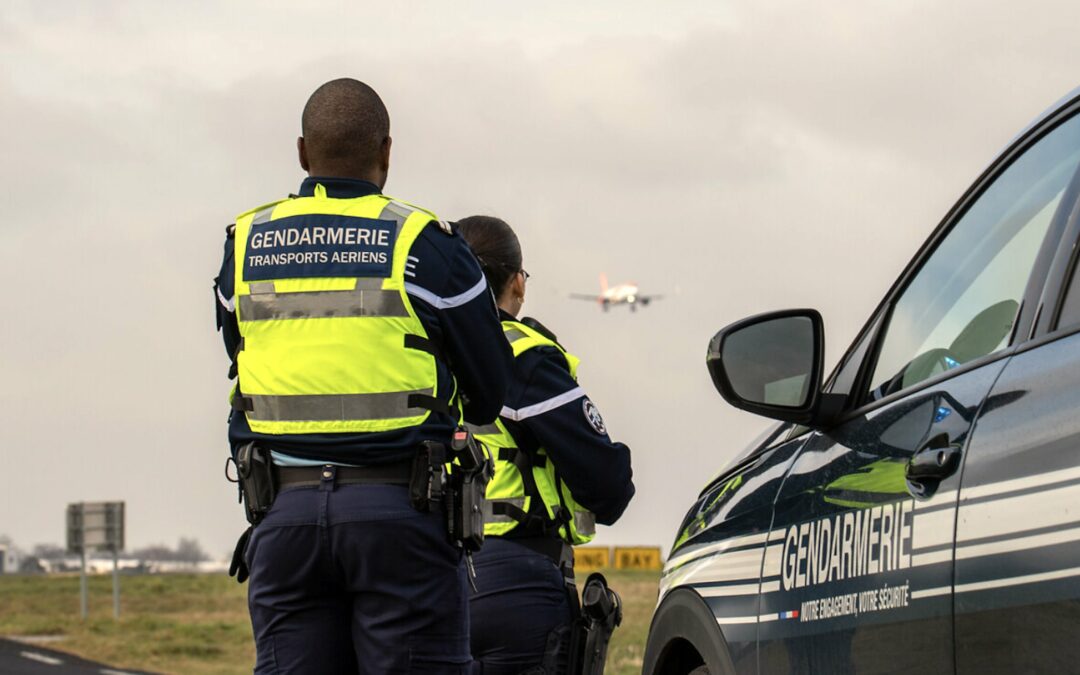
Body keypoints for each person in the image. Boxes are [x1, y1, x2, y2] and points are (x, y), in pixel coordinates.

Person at [212, 79, 514, 674]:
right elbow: (491, 393)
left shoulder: (244, 245)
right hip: (401, 514)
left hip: (285, 516)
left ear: (303, 153)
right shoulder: (427, 245)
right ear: (386, 152)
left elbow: (239, 353)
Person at [456, 215, 635, 675]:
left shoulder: (419, 347)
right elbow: (609, 487)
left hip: (422, 575)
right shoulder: (522, 356)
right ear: (517, 283)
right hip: (514, 579)